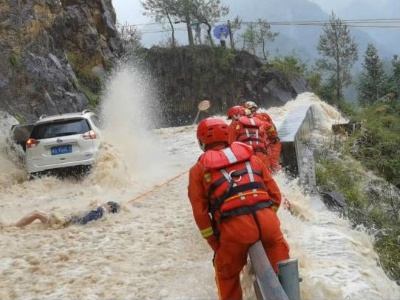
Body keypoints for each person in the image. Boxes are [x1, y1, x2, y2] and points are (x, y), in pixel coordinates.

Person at [188, 117, 290, 300]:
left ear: (202, 142)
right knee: (285, 272)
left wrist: (217, 245)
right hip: (268, 224)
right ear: (228, 136)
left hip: (235, 231)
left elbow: (200, 215)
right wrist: (267, 216)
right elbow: (275, 195)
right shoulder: (252, 158)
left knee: (226, 274)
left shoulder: (198, 170)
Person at [0, 201, 121, 229]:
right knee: (39, 215)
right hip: (65, 220)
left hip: (64, 221)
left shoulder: (100, 211)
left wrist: (100, 205)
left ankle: (11, 227)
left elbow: (90, 216)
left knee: (36, 213)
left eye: (107, 204)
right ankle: (14, 225)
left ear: (109, 207)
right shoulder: (101, 214)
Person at [244, 101, 282, 173]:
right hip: (265, 145)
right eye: (251, 109)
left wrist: (272, 138)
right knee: (268, 165)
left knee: (272, 163)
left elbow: (271, 129)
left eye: (253, 109)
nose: (252, 111)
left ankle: (278, 178)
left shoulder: (261, 117)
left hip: (271, 144)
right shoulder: (258, 118)